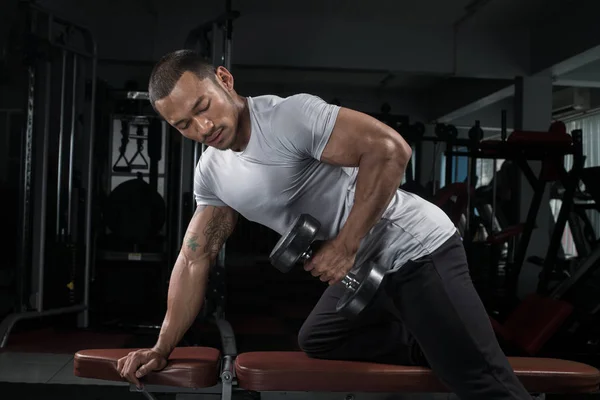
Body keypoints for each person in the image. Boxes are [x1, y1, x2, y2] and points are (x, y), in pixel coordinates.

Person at [117, 49, 532, 399]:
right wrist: (162, 345)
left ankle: (455, 349)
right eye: (183, 125)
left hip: (416, 248)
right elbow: (195, 257)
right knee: (320, 339)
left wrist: (346, 244)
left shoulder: (286, 117)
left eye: (202, 108)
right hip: (365, 276)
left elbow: (390, 150)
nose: (202, 128)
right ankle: (434, 340)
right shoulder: (212, 172)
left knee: (482, 384)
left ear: (224, 80)